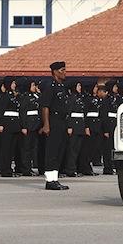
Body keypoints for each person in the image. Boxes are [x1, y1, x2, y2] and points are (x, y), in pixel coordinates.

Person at [40, 61, 70, 190]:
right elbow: (45, 107)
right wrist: (46, 125)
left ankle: (55, 179)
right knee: (52, 151)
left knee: (59, 151)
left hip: (62, 121)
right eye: (62, 70)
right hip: (54, 120)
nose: (65, 73)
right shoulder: (50, 86)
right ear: (55, 72)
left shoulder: (61, 87)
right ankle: (49, 180)